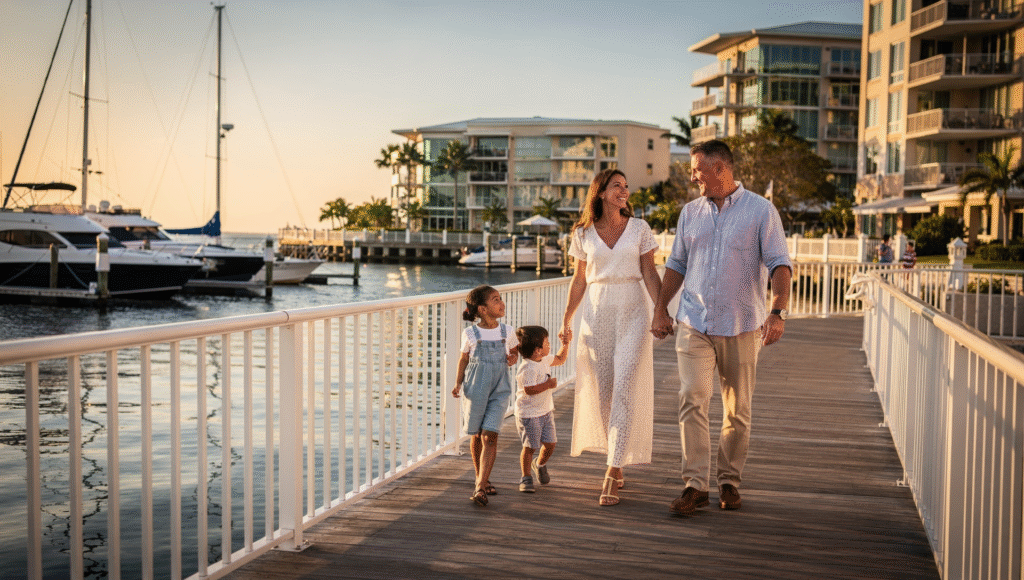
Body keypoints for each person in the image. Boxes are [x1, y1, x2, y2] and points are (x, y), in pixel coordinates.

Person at [651, 139, 792, 515]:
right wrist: (660, 308)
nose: (693, 175)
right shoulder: (690, 213)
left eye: (697, 169)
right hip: (694, 321)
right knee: (692, 397)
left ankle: (729, 480)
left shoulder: (761, 211)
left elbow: (780, 264)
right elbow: (677, 265)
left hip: (742, 323)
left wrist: (777, 312)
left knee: (737, 409)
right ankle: (694, 485)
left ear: (720, 170)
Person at [560, 168, 663, 506]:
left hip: (633, 309)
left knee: (624, 387)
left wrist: (661, 310)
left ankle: (611, 469)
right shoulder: (583, 233)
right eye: (617, 185)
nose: (624, 191)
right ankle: (617, 461)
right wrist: (567, 320)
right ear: (601, 192)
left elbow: (649, 271)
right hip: (596, 313)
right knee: (603, 392)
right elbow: (579, 280)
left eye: (626, 185)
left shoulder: (639, 229)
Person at [452, 285, 519, 506]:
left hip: (500, 388)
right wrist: (457, 383)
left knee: (490, 435)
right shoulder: (471, 333)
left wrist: (513, 357)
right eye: (495, 300)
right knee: (477, 433)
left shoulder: (507, 331)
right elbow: (464, 359)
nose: (502, 303)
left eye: (501, 299)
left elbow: (515, 350)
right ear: (482, 309)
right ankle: (481, 476)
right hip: (476, 387)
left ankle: (480, 487)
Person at [513, 325, 572, 493]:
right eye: (546, 342)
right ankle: (526, 477)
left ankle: (539, 464)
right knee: (530, 447)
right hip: (529, 415)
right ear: (538, 350)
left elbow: (561, 359)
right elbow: (529, 390)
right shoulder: (527, 368)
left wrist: (566, 344)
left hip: (545, 411)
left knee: (551, 443)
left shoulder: (544, 360)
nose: (549, 345)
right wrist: (548, 384)